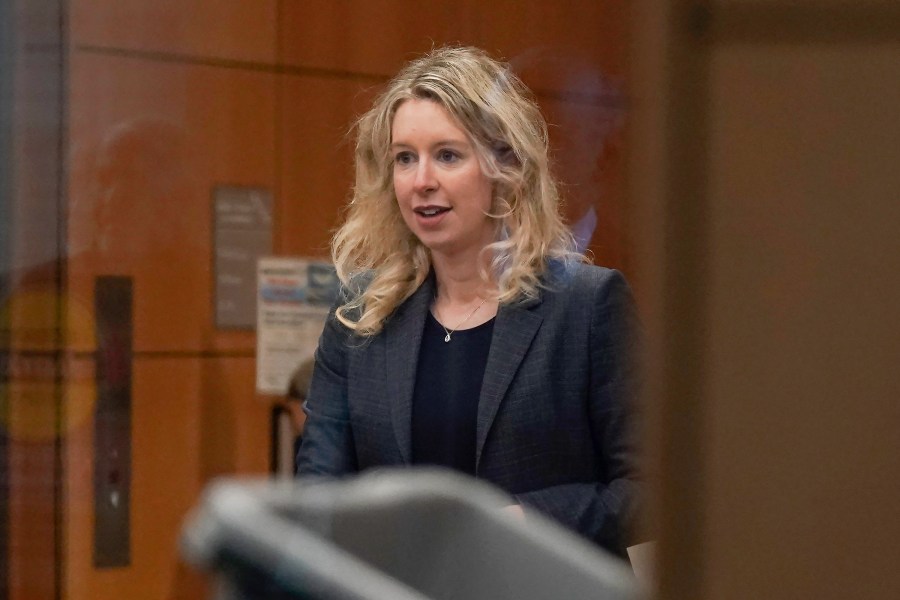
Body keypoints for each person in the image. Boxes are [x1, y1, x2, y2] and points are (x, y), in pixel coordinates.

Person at [297, 46, 640, 556]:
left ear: (505, 167)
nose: (421, 181)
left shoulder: (586, 307)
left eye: (448, 155)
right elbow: (317, 496)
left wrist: (526, 520)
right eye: (404, 159)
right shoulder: (361, 314)